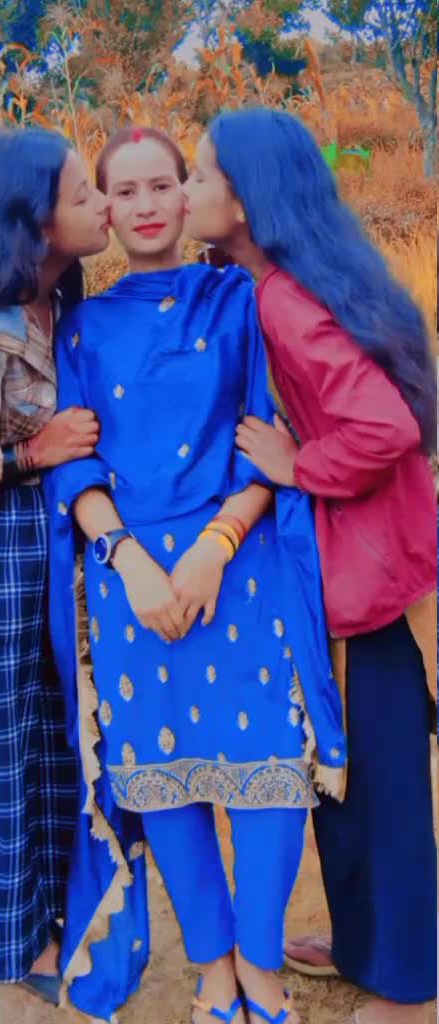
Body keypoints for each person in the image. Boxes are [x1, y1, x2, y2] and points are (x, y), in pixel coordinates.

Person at [44, 126, 347, 1024]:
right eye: (123, 191)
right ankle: (213, 965)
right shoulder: (83, 327)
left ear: (189, 195)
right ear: (105, 209)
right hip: (131, 582)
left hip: (242, 569)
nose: (144, 205)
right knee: (162, 771)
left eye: (161, 185)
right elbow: (74, 468)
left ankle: (259, 961)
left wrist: (215, 546)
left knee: (268, 768)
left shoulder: (242, 302)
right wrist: (129, 560)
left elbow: (267, 441)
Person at [183, 107, 437, 1024]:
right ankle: (370, 945)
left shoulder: (287, 302)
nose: (187, 192)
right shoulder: (290, 280)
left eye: (201, 176)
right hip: (373, 567)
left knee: (381, 788)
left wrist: (300, 466)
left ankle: (409, 990)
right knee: (352, 776)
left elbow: (386, 428)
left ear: (247, 200)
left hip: (370, 580)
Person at [0, 128, 110, 1002]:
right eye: (84, 196)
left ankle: (56, 911)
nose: (104, 207)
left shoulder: (59, 314)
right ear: (34, 223)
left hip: (44, 556)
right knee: (0, 746)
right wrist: (31, 455)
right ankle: (18, 944)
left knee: (51, 733)